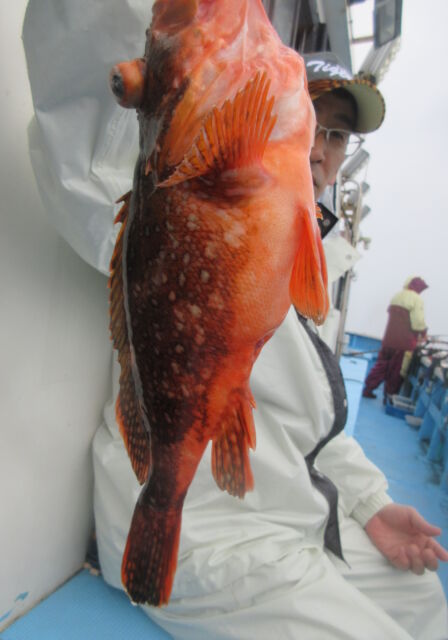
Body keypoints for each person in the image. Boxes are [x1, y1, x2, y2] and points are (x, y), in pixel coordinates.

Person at [22, 4, 448, 639]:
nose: (322, 149)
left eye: (337, 135)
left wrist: (370, 504)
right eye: (316, 114)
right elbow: (83, 123)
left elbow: (317, 424)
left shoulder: (311, 255)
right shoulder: (176, 178)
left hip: (293, 511)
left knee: (421, 595)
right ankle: (159, 522)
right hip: (212, 534)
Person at [363, 277, 429, 401]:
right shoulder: (417, 299)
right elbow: (418, 323)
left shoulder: (397, 296)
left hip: (388, 341)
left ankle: (368, 389)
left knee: (381, 366)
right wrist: (424, 333)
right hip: (403, 344)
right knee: (396, 372)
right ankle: (389, 397)